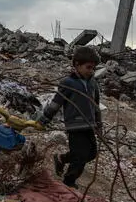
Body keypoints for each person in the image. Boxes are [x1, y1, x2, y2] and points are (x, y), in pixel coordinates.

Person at [36, 46, 102, 188]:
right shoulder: (68, 83)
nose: (91, 71)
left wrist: (99, 124)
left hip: (89, 125)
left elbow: (96, 105)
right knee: (79, 157)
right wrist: (44, 119)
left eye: (93, 68)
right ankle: (69, 182)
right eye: (88, 67)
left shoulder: (93, 83)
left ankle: (61, 158)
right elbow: (56, 103)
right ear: (77, 64)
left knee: (91, 153)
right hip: (75, 126)